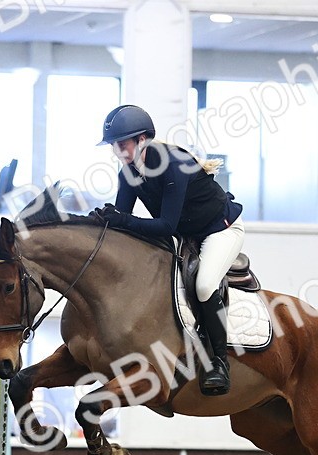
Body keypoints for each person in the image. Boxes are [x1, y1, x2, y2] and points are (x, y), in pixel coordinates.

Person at [96, 104, 244, 396]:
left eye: (121, 143)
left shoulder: (173, 164)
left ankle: (219, 363)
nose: (117, 151)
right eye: (114, 145)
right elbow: (121, 220)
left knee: (203, 286)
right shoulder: (128, 172)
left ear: (142, 139)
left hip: (220, 231)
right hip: (186, 235)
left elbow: (165, 225)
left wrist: (121, 219)